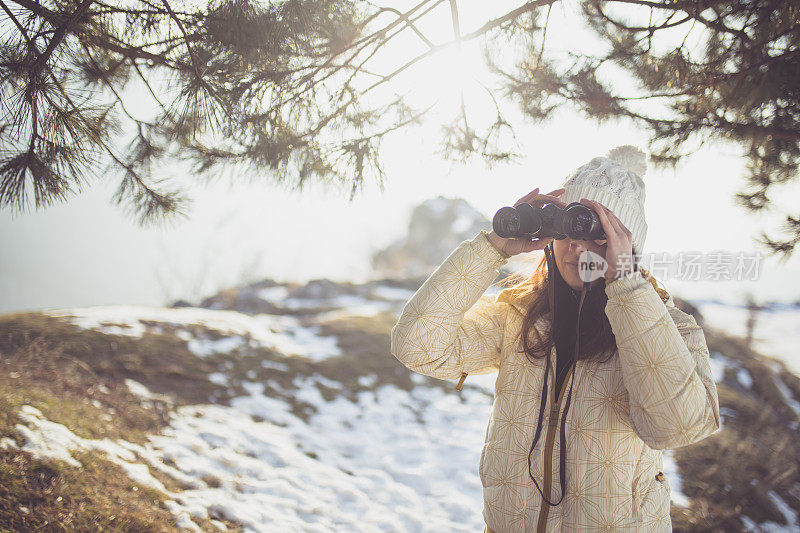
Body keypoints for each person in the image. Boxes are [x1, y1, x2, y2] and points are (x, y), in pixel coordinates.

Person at [389, 146, 720, 532]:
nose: (576, 245)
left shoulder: (672, 330)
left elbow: (675, 427)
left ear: (626, 244)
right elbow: (416, 345)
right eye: (566, 227)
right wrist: (492, 248)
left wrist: (627, 285)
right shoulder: (517, 318)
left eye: (596, 230)